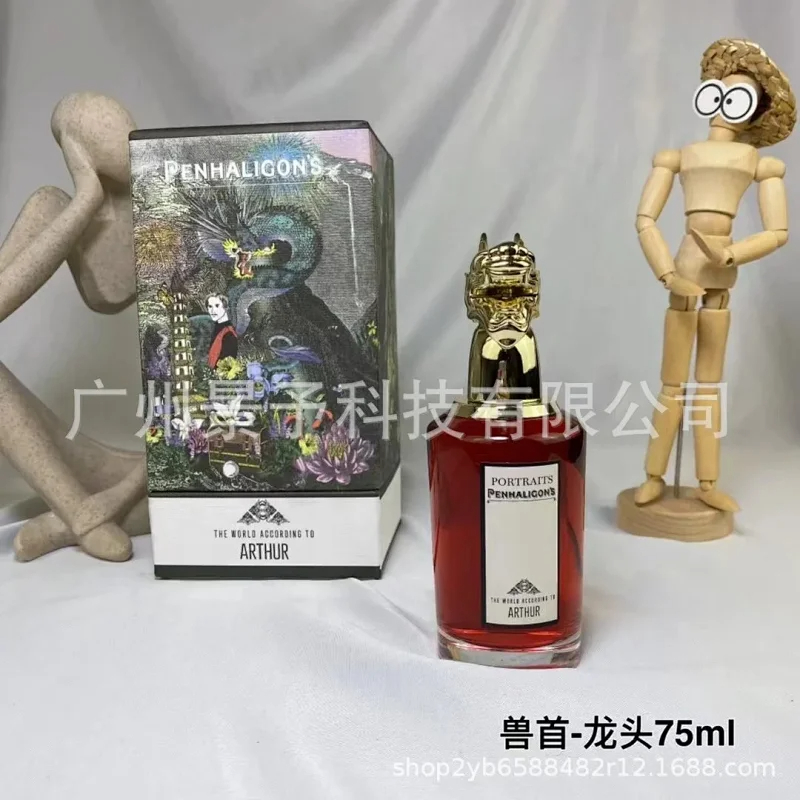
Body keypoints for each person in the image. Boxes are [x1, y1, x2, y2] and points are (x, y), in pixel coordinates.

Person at [206, 294, 238, 369]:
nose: (213, 310)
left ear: (225, 307)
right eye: (210, 306)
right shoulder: (217, 327)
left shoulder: (228, 333)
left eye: (217, 306)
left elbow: (226, 365)